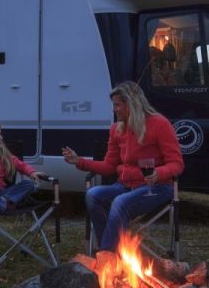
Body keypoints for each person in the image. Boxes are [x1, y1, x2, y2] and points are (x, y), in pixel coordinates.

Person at [62, 81, 184, 252]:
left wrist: (158, 173)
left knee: (120, 202)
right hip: (124, 186)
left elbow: (177, 164)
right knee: (93, 194)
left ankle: (106, 257)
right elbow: (109, 166)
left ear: (131, 104)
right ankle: (111, 251)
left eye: (117, 105)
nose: (114, 109)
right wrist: (80, 161)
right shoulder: (116, 130)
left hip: (156, 186)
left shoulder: (160, 124)